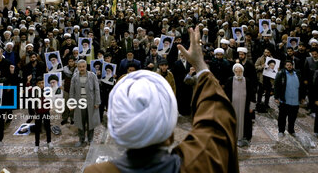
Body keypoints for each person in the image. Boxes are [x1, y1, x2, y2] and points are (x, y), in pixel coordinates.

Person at [84, 26, 239, 173]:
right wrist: (200, 65)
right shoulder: (201, 162)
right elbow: (217, 120)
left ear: (116, 124)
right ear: (169, 123)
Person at [69, 59, 101, 147]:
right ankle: (81, 139)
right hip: (79, 102)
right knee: (80, 122)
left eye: (83, 66)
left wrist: (97, 102)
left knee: (91, 121)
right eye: (80, 67)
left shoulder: (92, 75)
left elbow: (97, 89)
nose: (82, 68)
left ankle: (90, 139)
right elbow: (72, 90)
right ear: (77, 67)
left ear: (86, 67)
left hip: (90, 102)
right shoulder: (75, 77)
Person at [225, 63, 255, 147]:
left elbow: (252, 94)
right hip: (232, 106)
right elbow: (226, 94)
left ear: (242, 71)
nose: (238, 73)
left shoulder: (247, 81)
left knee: (245, 121)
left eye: (240, 71)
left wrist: (252, 107)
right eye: (236, 71)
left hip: (245, 106)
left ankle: (243, 138)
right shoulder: (230, 80)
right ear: (234, 71)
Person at [274, 60, 304, 138]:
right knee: (282, 117)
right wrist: (276, 97)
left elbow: (302, 86)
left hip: (295, 100)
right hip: (285, 100)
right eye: (287, 65)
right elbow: (276, 85)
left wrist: (302, 97)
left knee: (292, 117)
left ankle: (291, 130)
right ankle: (281, 131)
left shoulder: (297, 73)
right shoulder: (281, 73)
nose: (289, 66)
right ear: (285, 66)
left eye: (290, 65)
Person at [33, 77, 53, 153]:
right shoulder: (34, 91)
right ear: (36, 84)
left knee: (47, 127)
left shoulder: (47, 90)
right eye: (39, 83)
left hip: (46, 111)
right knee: (37, 128)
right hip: (38, 112)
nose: (41, 84)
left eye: (42, 83)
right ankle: (37, 145)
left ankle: (49, 142)